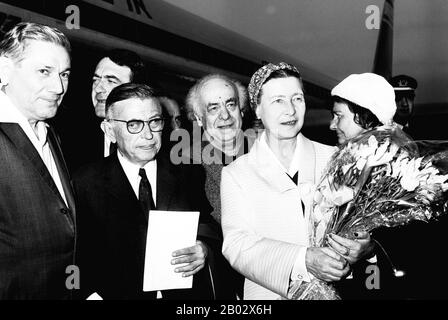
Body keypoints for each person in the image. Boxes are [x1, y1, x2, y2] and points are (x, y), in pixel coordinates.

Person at [221, 62, 372, 300]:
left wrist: (364, 247)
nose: (290, 110)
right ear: (257, 109)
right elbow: (236, 246)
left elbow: (363, 228)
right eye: (278, 100)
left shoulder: (337, 159)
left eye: (297, 98)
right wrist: (303, 259)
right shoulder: (236, 173)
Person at [73, 83, 217, 300]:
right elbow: (73, 257)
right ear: (110, 131)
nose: (148, 135)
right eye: (134, 125)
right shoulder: (83, 183)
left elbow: (210, 227)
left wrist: (204, 248)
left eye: (154, 122)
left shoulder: (189, 173)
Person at [0, 22, 76, 299]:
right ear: (4, 70)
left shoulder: (51, 134)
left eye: (64, 74)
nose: (58, 87)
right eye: (44, 71)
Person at [184, 73, 251, 299]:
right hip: (223, 285)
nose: (225, 115)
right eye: (213, 108)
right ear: (199, 118)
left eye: (230, 104)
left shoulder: (267, 152)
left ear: (241, 110)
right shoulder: (186, 162)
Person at [53, 48, 147, 172]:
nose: (98, 88)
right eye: (95, 80)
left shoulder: (150, 142)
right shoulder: (70, 138)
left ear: (135, 91)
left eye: (111, 81)